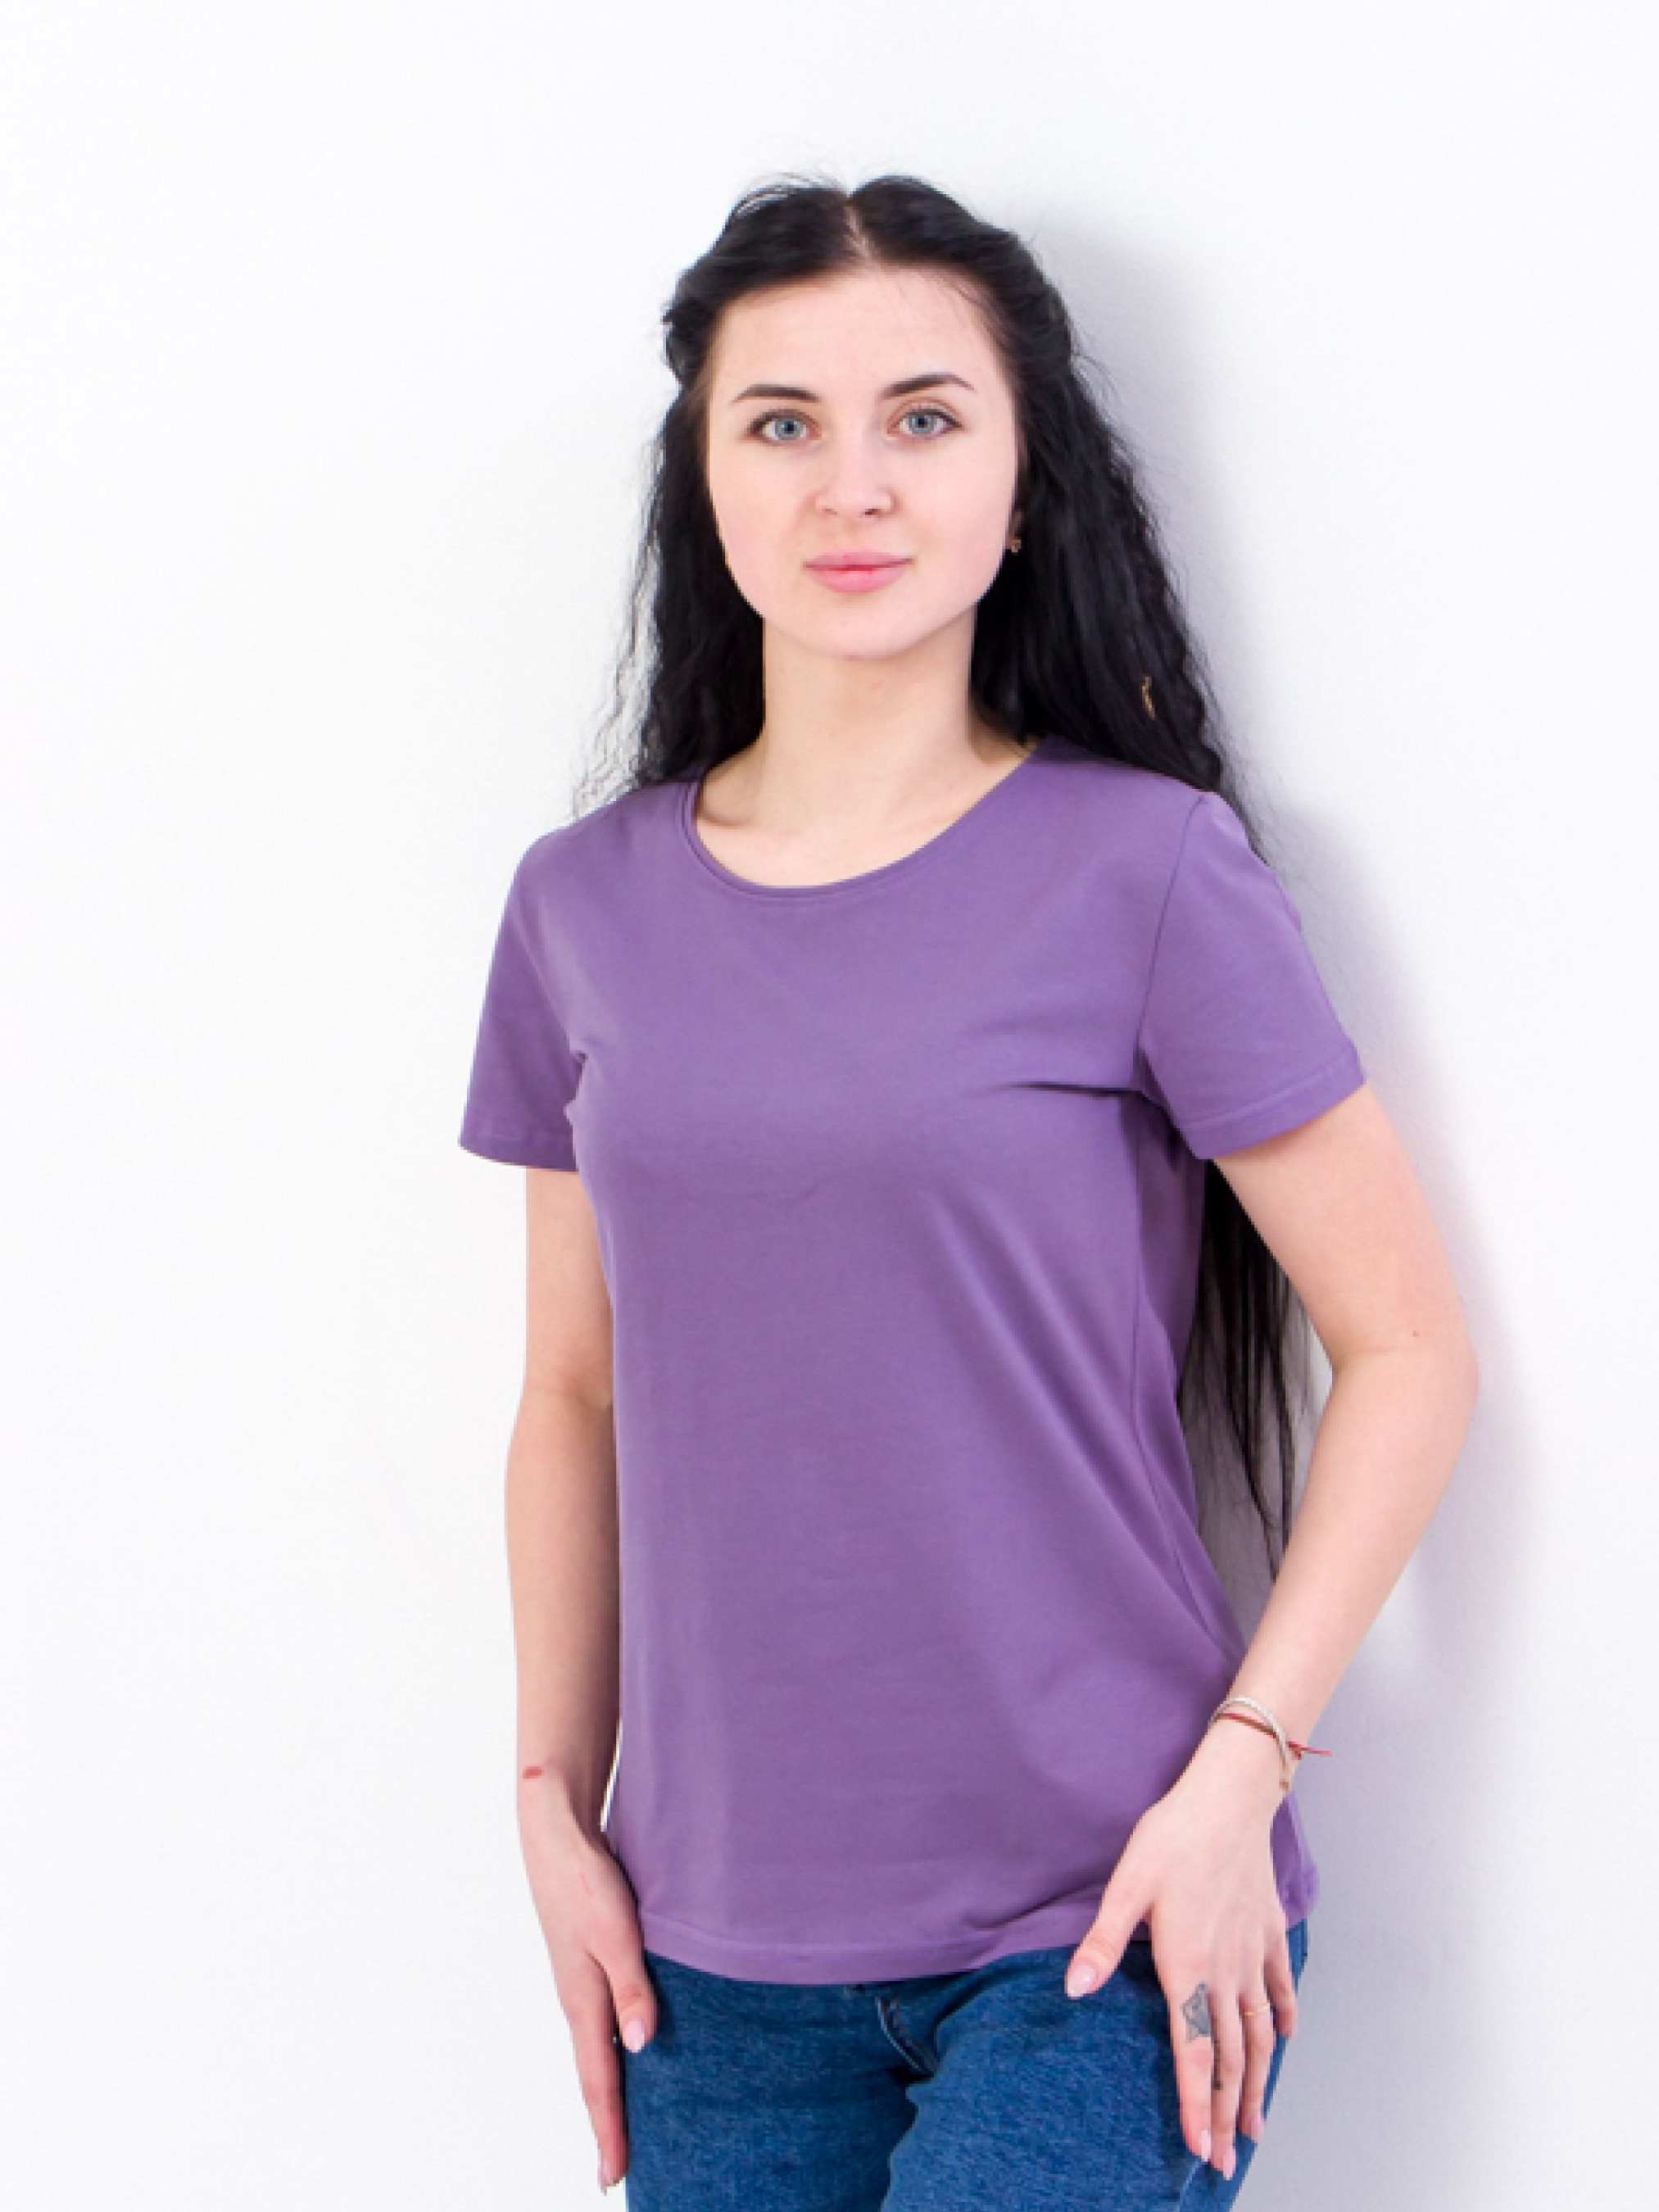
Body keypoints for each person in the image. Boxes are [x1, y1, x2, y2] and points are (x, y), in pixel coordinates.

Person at [456, 173, 1479, 2210]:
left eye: (922, 418)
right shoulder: (579, 910)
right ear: (706, 483)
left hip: (1102, 1913)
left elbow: (1403, 1348)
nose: (852, 484)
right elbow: (568, 1392)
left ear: (1020, 491)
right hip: (706, 1956)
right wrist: (550, 1811)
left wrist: (1239, 1776)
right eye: (782, 422)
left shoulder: (1146, 871)